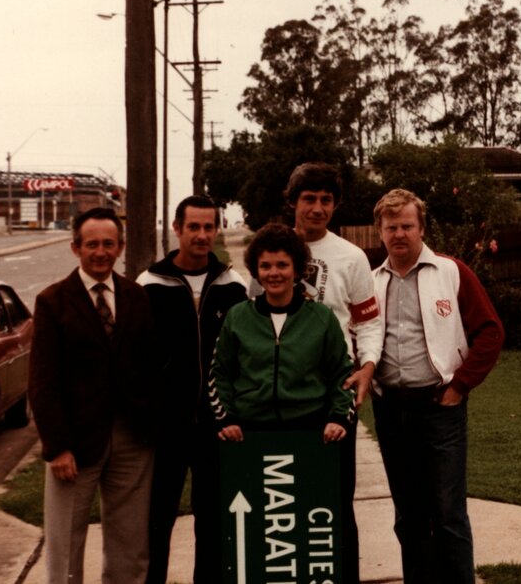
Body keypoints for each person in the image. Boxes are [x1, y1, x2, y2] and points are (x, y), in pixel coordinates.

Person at [248, 162, 382, 583]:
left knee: (333, 500)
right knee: (280, 502)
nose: (318, 208)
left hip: (333, 392)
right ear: (292, 202)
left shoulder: (351, 257)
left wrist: (367, 368)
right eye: (309, 199)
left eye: (326, 200)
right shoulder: (269, 254)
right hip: (277, 396)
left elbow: (368, 321)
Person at [370, 189, 504, 584]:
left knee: (447, 513)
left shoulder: (451, 272)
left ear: (422, 228)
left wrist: (460, 385)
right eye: (391, 227)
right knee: (408, 515)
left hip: (440, 406)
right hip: (391, 409)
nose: (399, 234)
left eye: (407, 226)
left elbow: (490, 333)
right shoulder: (372, 282)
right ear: (380, 232)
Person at [29, 207, 158, 584]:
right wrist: (57, 447)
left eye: (108, 244)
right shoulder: (53, 301)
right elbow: (42, 381)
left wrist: (149, 425)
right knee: (65, 544)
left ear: (120, 247)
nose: (100, 252)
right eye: (91, 245)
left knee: (130, 542)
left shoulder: (136, 296)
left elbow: (149, 366)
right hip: (76, 442)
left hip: (133, 439)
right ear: (75, 248)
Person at [136, 195, 247, 584]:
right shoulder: (149, 286)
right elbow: (136, 360)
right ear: (177, 228)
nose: (202, 235)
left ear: (217, 229)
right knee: (156, 519)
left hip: (215, 427)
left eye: (208, 227)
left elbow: (243, 358)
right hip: (165, 428)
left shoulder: (233, 287)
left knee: (213, 520)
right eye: (194, 227)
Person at [210, 223, 353, 444]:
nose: (274, 273)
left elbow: (342, 374)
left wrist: (338, 417)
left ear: (296, 269)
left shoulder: (322, 318)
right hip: (249, 432)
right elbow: (220, 374)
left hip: (310, 430)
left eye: (282, 265)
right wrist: (226, 418)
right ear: (256, 270)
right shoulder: (237, 317)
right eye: (265, 266)